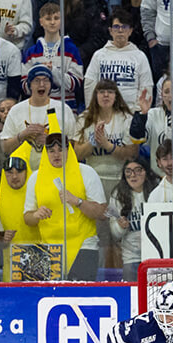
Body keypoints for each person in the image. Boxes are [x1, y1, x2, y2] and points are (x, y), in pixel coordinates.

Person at [23, 110, 107, 280]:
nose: (56, 154)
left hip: (84, 247)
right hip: (48, 249)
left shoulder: (86, 172)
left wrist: (78, 201)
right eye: (51, 150)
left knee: (81, 300)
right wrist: (37, 215)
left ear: (69, 150)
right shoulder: (34, 178)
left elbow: (101, 212)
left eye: (61, 149)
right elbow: (27, 218)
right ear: (45, 152)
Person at [0, 65, 80, 155]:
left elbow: (74, 146)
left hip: (54, 167)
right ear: (29, 85)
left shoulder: (63, 109)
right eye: (37, 80)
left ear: (51, 85)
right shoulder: (16, 110)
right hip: (24, 167)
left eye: (46, 80)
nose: (41, 84)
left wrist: (52, 142)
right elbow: (5, 148)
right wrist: (22, 136)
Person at [85, 7, 152, 115]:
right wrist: (92, 112)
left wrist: (136, 114)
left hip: (130, 115)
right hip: (103, 114)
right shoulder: (99, 55)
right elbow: (90, 85)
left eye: (124, 27)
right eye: (116, 27)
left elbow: (146, 88)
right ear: (110, 31)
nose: (120, 30)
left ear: (130, 31)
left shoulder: (140, 56)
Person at [22, 3, 83, 110]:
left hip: (65, 110)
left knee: (56, 127)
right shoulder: (31, 52)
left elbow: (76, 84)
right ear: (41, 22)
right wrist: (38, 73)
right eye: (48, 18)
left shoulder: (71, 50)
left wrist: (53, 71)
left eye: (56, 18)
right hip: (38, 109)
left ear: (61, 21)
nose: (52, 22)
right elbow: (25, 87)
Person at [108, 158, 159, 279]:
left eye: (138, 170)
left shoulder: (157, 191)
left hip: (155, 255)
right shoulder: (117, 194)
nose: (133, 175)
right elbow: (114, 234)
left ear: (146, 172)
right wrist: (120, 227)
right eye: (128, 171)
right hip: (131, 258)